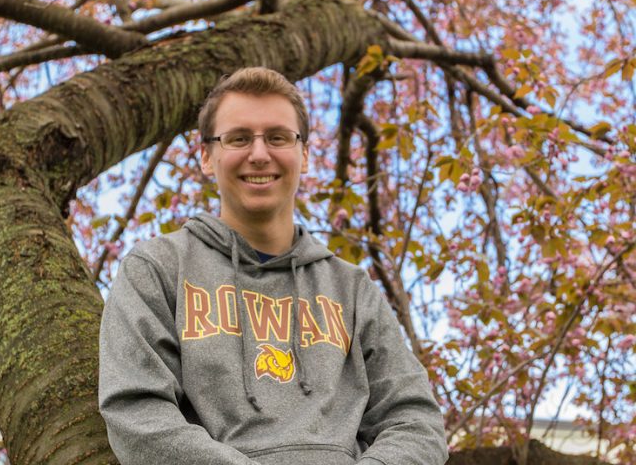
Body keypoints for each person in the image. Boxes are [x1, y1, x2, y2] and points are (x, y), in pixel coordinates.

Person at [99, 67, 448, 465]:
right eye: (239, 138)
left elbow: (415, 420)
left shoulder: (352, 289)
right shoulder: (156, 270)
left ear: (304, 153)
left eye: (278, 137)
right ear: (206, 157)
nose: (260, 154)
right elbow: (137, 413)